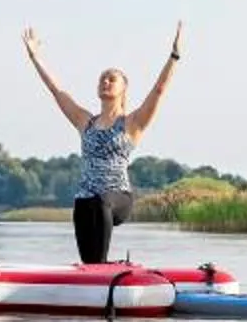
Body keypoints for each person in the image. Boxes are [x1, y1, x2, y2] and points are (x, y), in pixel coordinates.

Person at [21, 22, 183, 265]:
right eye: (102, 79)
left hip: (119, 199)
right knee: (84, 205)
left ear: (123, 88)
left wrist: (174, 56)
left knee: (100, 201)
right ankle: (96, 273)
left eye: (111, 79)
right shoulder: (84, 121)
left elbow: (158, 91)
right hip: (86, 202)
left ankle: (103, 268)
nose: (105, 82)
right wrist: (35, 57)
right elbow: (56, 90)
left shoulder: (132, 123)